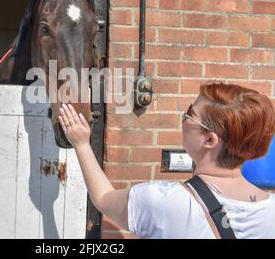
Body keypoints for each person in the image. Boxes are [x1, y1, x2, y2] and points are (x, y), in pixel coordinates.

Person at [58, 82, 275, 239]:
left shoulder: (163, 201)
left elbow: (104, 198)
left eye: (190, 113)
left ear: (210, 139)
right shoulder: (271, 211)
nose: (183, 117)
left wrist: (82, 144)